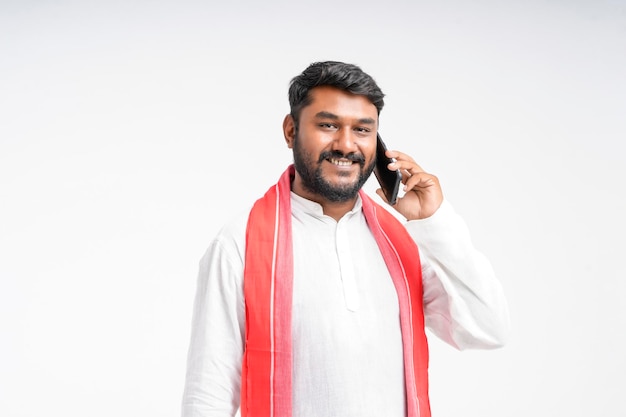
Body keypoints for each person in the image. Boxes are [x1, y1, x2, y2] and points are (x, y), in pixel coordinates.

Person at [181, 61, 510, 417]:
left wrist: (433, 219)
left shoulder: (403, 241)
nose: (345, 144)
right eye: (328, 125)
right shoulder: (239, 245)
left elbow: (488, 328)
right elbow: (208, 394)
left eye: (362, 130)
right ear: (291, 131)